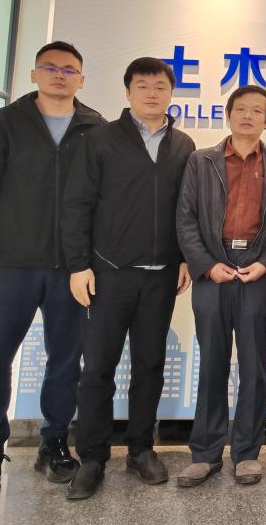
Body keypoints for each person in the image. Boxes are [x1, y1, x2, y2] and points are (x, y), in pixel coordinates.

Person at [0, 42, 104, 500]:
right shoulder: (3, 122)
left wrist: (93, 262)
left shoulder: (95, 128)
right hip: (12, 263)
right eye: (51, 67)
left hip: (72, 268)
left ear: (81, 79)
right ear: (34, 73)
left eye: (69, 70)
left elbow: (103, 201)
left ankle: (54, 443)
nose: (60, 75)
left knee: (66, 362)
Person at [61, 57, 194, 500]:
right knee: (98, 369)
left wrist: (183, 258)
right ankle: (92, 457)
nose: (152, 93)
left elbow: (186, 209)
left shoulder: (183, 145)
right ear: (128, 92)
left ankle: (140, 449)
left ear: (171, 93)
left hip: (161, 277)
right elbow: (77, 204)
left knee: (150, 366)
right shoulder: (100, 140)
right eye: (142, 85)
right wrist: (79, 265)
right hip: (107, 274)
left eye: (160, 86)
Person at [175, 85, 266, 487]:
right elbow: (186, 218)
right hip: (213, 268)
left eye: (256, 111)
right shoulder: (201, 161)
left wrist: (265, 264)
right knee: (212, 361)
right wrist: (207, 266)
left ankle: (247, 453)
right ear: (228, 114)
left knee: (253, 363)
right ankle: (205, 453)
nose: (247, 116)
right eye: (240, 109)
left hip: (256, 270)